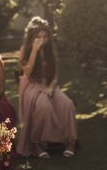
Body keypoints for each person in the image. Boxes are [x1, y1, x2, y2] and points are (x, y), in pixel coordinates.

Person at [16, 17, 77, 158]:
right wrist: (34, 51)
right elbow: (27, 72)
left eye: (45, 36)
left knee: (67, 104)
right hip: (32, 86)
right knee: (44, 107)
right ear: (32, 37)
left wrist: (50, 88)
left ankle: (71, 141)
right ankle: (37, 143)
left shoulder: (51, 51)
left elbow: (54, 75)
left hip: (49, 86)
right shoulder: (25, 50)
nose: (42, 40)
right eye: (38, 37)